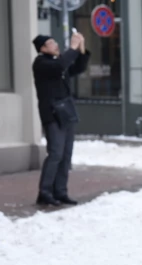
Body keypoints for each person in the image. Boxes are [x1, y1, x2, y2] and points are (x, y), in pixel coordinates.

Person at [32, 33, 90, 206]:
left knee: (66, 155)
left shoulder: (58, 62)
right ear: (42, 48)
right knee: (56, 153)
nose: (55, 45)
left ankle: (60, 191)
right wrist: (71, 48)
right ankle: (45, 192)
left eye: (55, 41)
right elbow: (60, 66)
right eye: (51, 43)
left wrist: (81, 49)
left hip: (66, 113)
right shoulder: (41, 63)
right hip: (52, 114)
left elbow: (77, 68)